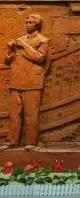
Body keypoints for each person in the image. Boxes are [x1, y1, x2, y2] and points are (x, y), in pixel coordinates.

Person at [4, 13, 49, 147]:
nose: (27, 24)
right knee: (14, 113)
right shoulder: (20, 39)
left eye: (30, 22)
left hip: (32, 81)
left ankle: (31, 142)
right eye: (26, 22)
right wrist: (9, 49)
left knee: (31, 113)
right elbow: (8, 60)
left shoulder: (43, 40)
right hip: (16, 79)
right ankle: (12, 140)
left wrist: (24, 45)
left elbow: (39, 58)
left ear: (37, 24)